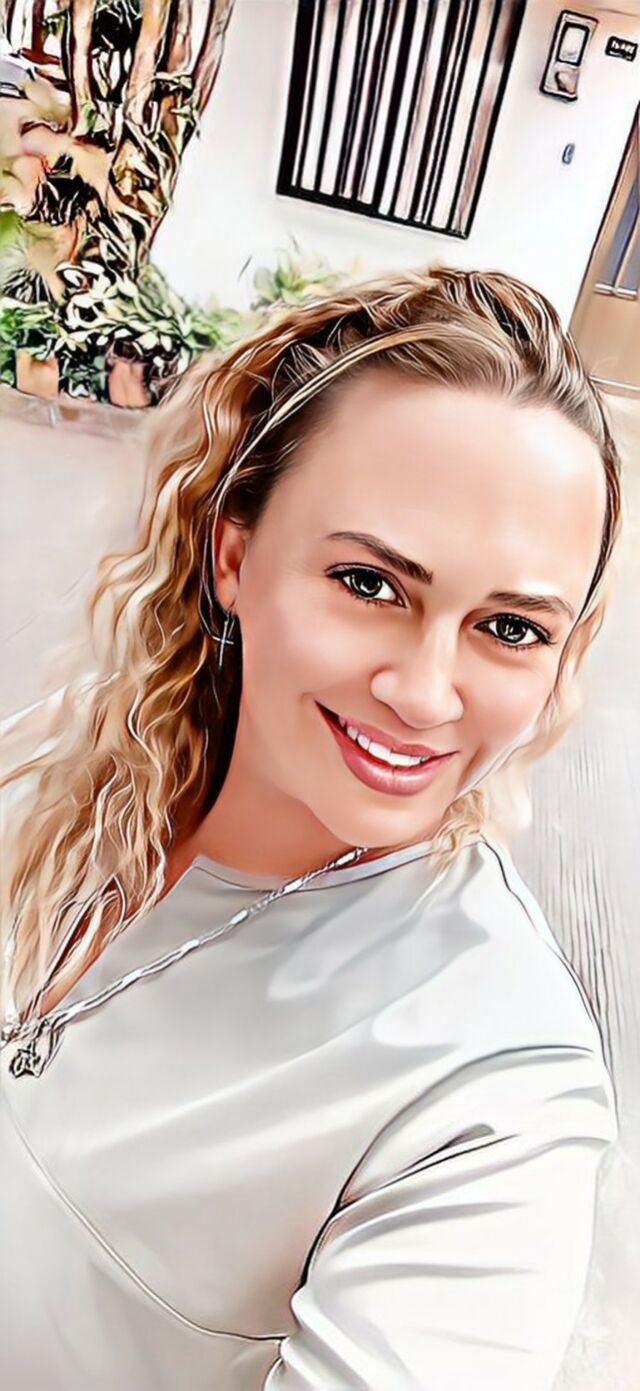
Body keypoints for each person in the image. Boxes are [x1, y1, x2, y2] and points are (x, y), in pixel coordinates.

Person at [0, 265, 623, 1391]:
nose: (425, 694)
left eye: (509, 628)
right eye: (368, 582)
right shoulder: (67, 772)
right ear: (234, 553)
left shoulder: (494, 1092)